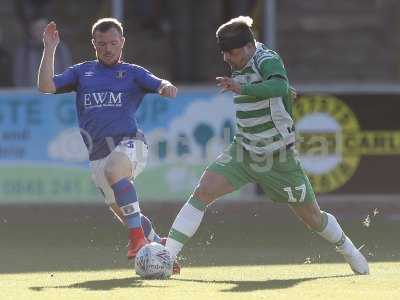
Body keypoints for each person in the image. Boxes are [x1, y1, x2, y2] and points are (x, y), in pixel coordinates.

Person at [165, 16, 369, 275]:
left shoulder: (266, 58)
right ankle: (166, 257)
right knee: (203, 191)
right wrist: (279, 90)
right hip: (244, 150)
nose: (228, 59)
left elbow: (278, 83)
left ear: (249, 47)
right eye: (224, 54)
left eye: (233, 54)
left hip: (278, 156)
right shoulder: (242, 57)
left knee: (313, 219)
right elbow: (278, 86)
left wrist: (250, 87)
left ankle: (349, 249)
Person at [37, 18, 178, 260]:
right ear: (94, 44)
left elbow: (159, 83)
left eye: (113, 43)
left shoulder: (133, 73)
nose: (108, 48)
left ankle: (137, 242)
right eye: (102, 44)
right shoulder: (82, 72)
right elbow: (46, 86)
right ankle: (160, 247)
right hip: (98, 155)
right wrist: (49, 49)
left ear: (122, 42)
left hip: (131, 143)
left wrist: (166, 87)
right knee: (124, 211)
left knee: (115, 171)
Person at [14, 17, 72, 87]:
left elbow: (67, 72)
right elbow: (18, 75)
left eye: (45, 28)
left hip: (56, 93)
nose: (42, 32)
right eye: (38, 29)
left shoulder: (60, 49)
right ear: (32, 31)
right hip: (30, 94)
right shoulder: (24, 51)